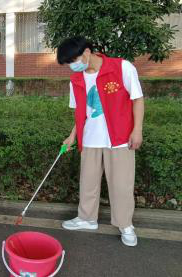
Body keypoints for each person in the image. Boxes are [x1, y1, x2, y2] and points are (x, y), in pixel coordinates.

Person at [57, 37, 144, 247]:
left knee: (121, 186)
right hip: (90, 139)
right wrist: (72, 136)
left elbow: (137, 99)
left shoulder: (122, 67)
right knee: (88, 183)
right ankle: (87, 219)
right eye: (68, 63)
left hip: (119, 139)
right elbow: (81, 113)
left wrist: (137, 130)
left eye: (73, 60)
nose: (72, 66)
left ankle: (125, 225)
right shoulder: (76, 80)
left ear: (87, 52)